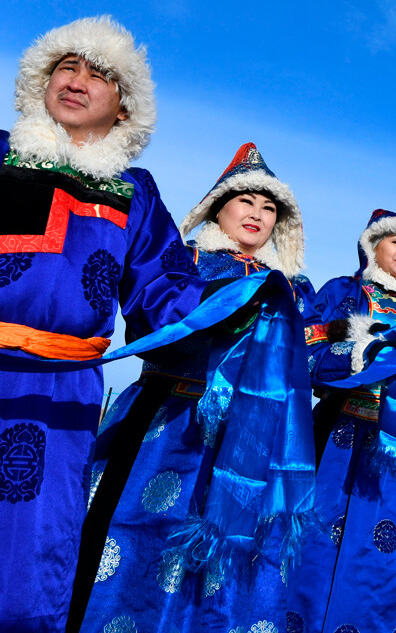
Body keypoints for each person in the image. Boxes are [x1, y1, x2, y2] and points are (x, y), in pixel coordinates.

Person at [0, 17, 212, 631]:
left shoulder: (133, 193)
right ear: (42, 80)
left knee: (29, 555)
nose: (78, 79)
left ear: (123, 110)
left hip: (58, 396)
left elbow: (164, 291)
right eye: (67, 66)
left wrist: (235, 310)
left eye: (100, 74)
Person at [74, 142, 316, 632]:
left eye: (269, 208)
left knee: (234, 555)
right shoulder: (183, 265)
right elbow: (146, 328)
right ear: (216, 207)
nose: (257, 214)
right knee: (142, 537)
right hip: (167, 424)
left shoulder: (292, 289)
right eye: (246, 201)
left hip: (251, 439)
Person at [292, 209, 396, 633]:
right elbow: (306, 356)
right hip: (344, 438)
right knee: (327, 541)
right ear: (371, 245)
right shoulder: (344, 294)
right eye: (395, 240)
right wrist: (362, 356)